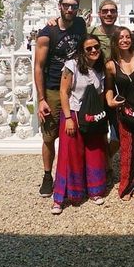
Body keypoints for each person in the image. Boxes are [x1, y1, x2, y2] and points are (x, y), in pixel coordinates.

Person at [34, 0, 88, 197]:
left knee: (78, 133)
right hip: (54, 89)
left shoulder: (80, 24)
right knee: (49, 136)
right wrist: (41, 99)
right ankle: (48, 176)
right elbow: (38, 67)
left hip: (77, 88)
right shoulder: (48, 33)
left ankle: (76, 175)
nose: (70, 9)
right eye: (66, 5)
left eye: (73, 6)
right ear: (59, 6)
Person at [51, 35, 108, 214]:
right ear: (82, 51)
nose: (93, 51)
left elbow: (100, 94)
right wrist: (68, 118)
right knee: (70, 155)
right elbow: (63, 91)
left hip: (92, 115)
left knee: (94, 152)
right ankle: (61, 197)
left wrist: (101, 116)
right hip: (74, 113)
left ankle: (95, 190)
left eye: (96, 47)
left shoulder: (100, 69)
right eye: (88, 48)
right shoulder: (72, 66)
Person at [105, 27, 134, 200]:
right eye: (121, 38)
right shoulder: (111, 65)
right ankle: (128, 185)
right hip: (126, 110)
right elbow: (109, 87)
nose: (125, 40)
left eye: (127, 37)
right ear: (115, 41)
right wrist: (110, 101)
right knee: (128, 149)